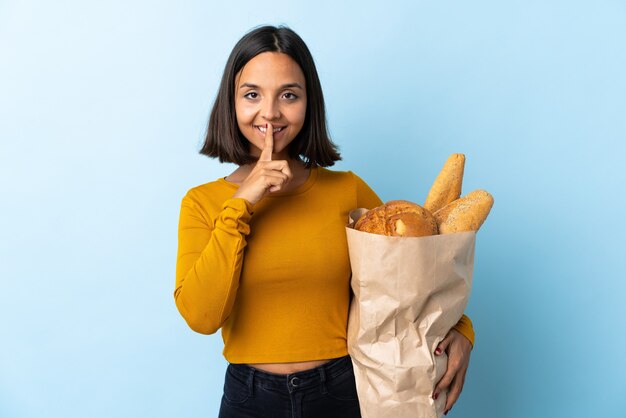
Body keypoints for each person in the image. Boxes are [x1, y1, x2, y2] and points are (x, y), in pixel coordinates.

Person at [174, 25, 474, 418]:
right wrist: (243, 200)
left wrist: (463, 331)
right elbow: (201, 316)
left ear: (308, 103)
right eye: (251, 95)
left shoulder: (347, 192)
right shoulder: (203, 203)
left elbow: (412, 283)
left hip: (342, 390)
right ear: (231, 105)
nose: (270, 112)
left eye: (289, 95)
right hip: (250, 399)